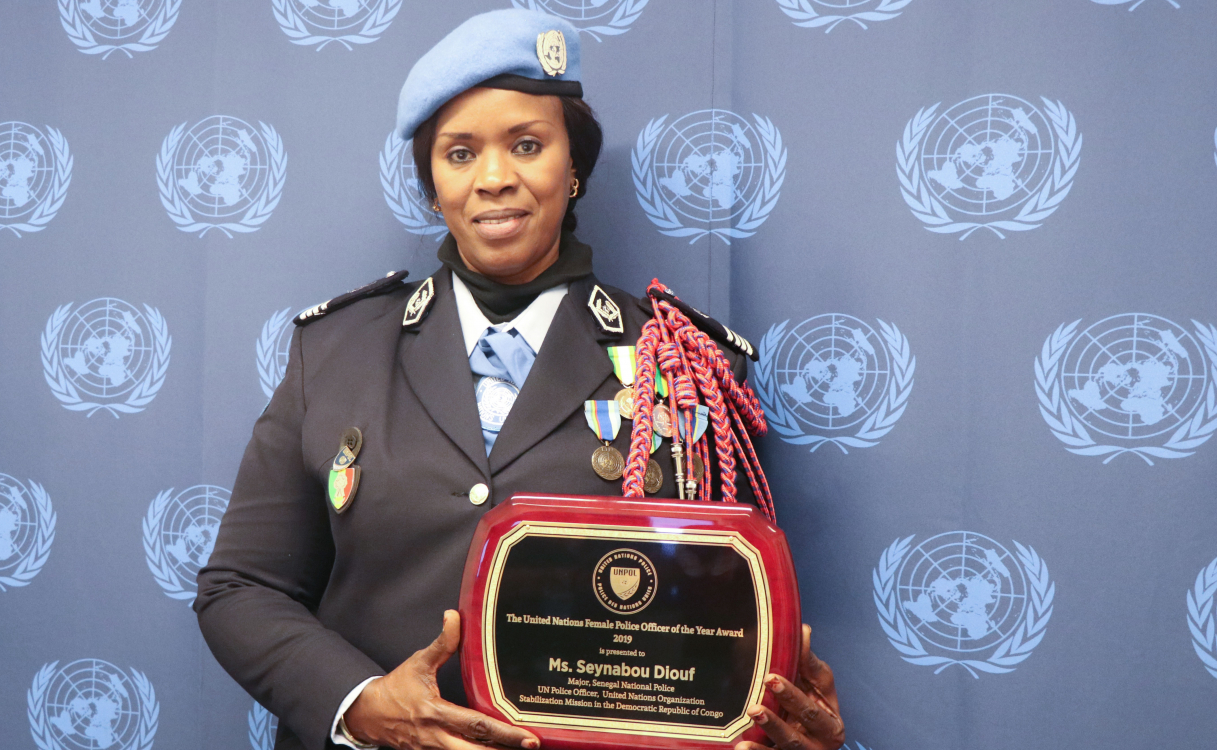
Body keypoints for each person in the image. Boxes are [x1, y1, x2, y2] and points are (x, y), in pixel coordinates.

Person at [195, 9, 845, 750]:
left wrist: (767, 718)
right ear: (432, 184)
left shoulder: (689, 363)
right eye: (460, 154)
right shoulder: (335, 352)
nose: (495, 178)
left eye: (527, 145)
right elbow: (240, 589)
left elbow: (726, 618)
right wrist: (365, 704)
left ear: (573, 169)